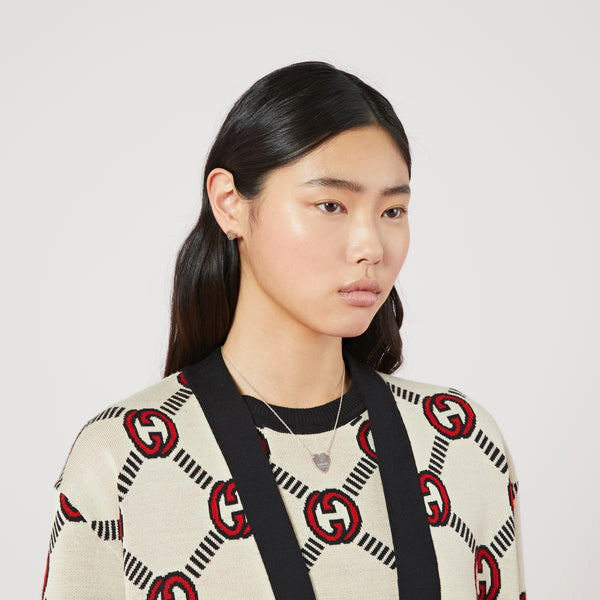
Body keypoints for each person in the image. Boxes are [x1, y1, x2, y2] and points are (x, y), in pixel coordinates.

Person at [42, 61, 526, 600]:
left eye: (392, 211)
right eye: (331, 205)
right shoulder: (122, 459)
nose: (371, 246)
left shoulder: (461, 441)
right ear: (229, 204)